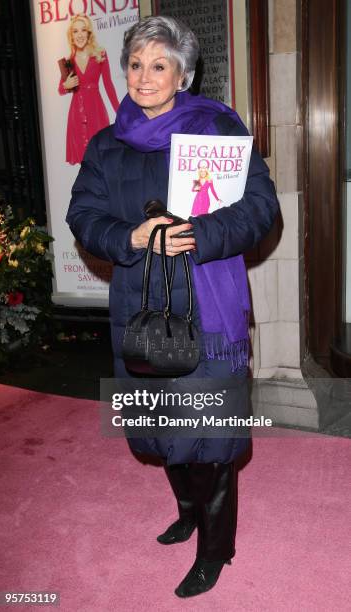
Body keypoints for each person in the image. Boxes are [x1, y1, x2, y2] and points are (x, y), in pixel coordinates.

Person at [66, 16, 279, 598]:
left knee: (206, 435)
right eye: (136, 63)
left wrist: (199, 235)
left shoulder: (216, 129)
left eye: (159, 65)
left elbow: (261, 209)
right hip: (139, 303)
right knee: (161, 427)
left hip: (207, 306)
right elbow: (83, 215)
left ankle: (217, 547)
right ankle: (189, 513)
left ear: (183, 74)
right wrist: (131, 238)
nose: (144, 76)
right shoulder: (106, 144)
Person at [58, 14, 119, 165]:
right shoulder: (68, 62)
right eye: (75, 31)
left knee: (102, 158)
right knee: (84, 162)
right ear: (71, 36)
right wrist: (66, 86)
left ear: (89, 33)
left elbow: (109, 85)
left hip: (96, 111)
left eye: (83, 30)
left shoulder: (100, 55)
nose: (79, 35)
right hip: (77, 115)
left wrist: (120, 111)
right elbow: (61, 89)